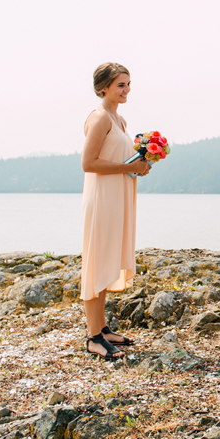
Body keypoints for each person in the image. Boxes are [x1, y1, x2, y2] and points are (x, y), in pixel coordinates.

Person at [80, 62, 151, 361]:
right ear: (103, 88)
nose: (127, 90)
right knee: (97, 261)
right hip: (103, 198)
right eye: (121, 84)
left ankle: (103, 328)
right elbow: (88, 163)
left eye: (129, 84)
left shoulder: (118, 119)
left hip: (117, 195)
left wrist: (140, 163)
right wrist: (127, 167)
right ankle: (93, 337)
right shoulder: (99, 118)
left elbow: (117, 158)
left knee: (107, 258)